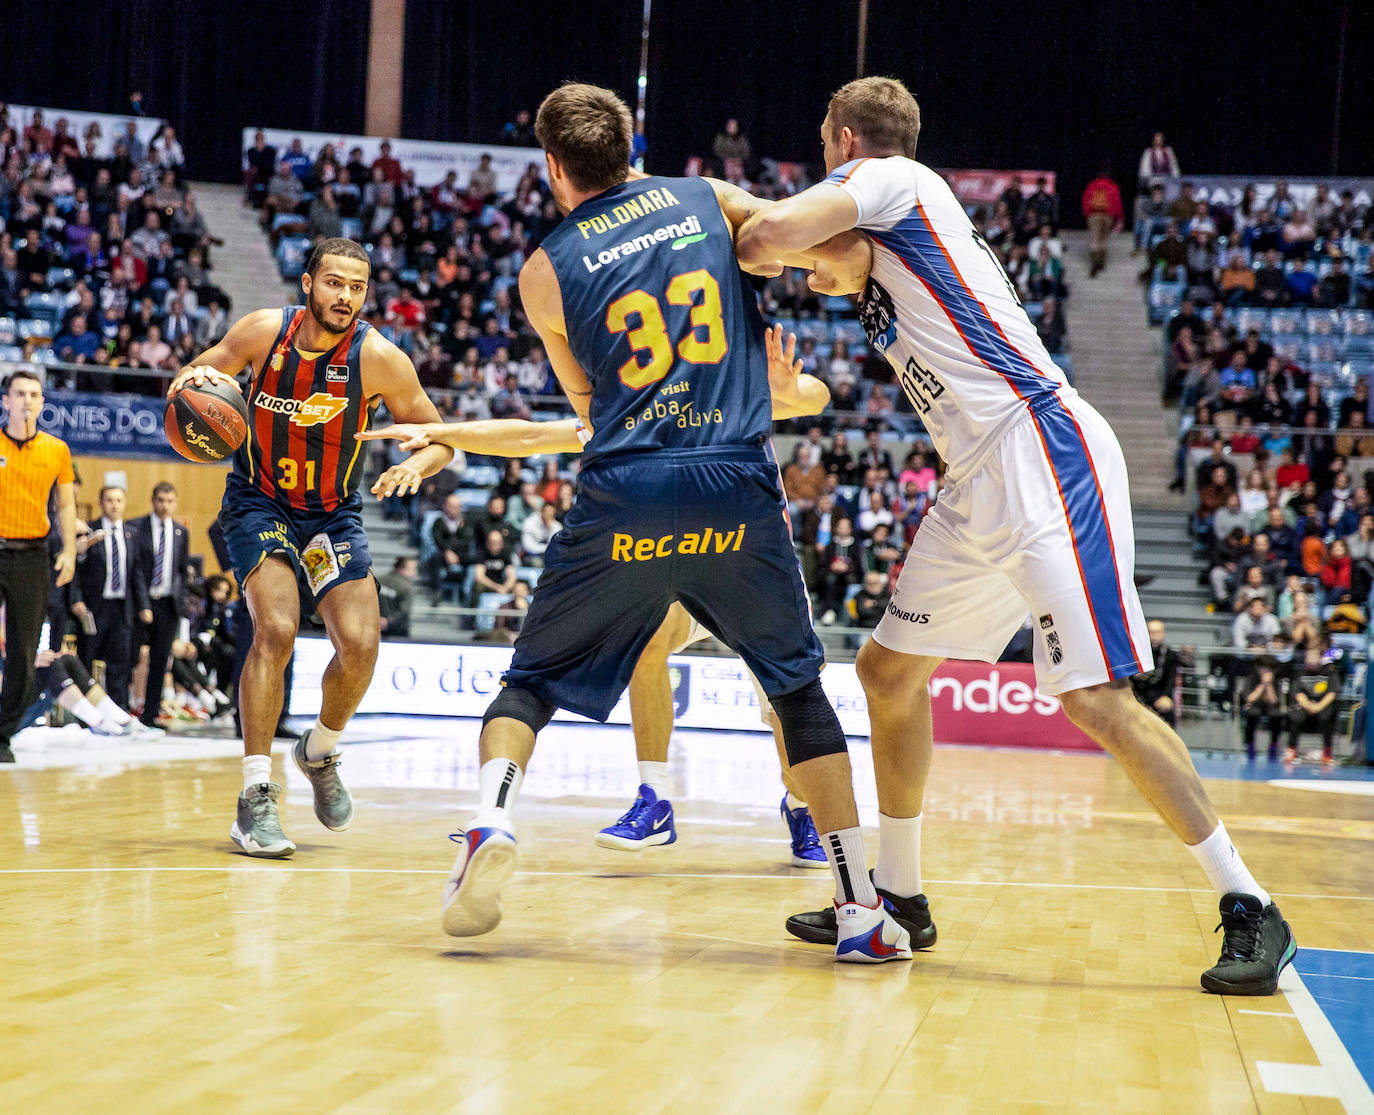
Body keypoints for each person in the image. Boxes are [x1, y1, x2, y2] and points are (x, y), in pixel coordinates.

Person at [735, 75, 1294, 995]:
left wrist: (699, 218)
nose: (822, 153)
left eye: (825, 140)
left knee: (1094, 698)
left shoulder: (895, 178)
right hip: (977, 478)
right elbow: (795, 252)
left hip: (1040, 449)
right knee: (887, 673)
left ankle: (1250, 902)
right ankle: (900, 895)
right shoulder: (890, 238)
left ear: (844, 141)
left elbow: (763, 239)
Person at [412, 83, 907, 961]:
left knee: (529, 682)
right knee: (796, 690)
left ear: (554, 167)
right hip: (733, 480)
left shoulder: (542, 272)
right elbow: (807, 245)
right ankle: (861, 907)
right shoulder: (706, 197)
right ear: (631, 143)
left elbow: (587, 408)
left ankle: (492, 816)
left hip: (626, 488)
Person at [361, 328, 840, 872]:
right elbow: (530, 436)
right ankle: (654, 798)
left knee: (789, 721)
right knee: (648, 642)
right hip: (685, 567)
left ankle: (800, 806)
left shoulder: (730, 394)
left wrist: (791, 389)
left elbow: (816, 396)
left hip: (751, 572)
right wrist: (439, 431)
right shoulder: (636, 415)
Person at [165, 237, 453, 858]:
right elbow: (196, 374)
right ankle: (255, 796)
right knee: (276, 628)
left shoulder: (379, 358)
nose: (345, 296)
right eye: (334, 283)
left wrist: (416, 465)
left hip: (331, 515)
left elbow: (440, 438)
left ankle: (319, 751)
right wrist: (188, 385)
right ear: (308, 283)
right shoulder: (264, 332)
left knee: (362, 644)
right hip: (259, 500)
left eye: (357, 287)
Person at [0, 372, 77, 763]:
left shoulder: (57, 450)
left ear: (42, 402)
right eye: (19, 393)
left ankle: (2, 735)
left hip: (33, 556)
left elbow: (66, 504)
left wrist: (70, 551)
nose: (26, 400)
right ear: (6, 400)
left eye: (34, 394)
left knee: (24, 653)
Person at [71, 486, 141, 711]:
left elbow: (137, 573)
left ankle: (119, 712)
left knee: (120, 663)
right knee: (87, 659)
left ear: (125, 503)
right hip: (93, 607)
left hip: (122, 608)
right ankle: (86, 715)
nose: (114, 505)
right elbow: (75, 570)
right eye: (109, 500)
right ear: (101, 503)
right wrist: (76, 599)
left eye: (119, 500)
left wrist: (144, 606)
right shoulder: (88, 530)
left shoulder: (131, 533)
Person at [130, 482, 189, 729]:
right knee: (130, 657)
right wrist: (143, 604)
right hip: (141, 602)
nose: (165, 505)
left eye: (169, 501)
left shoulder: (180, 532)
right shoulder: (136, 528)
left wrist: (181, 605)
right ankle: (122, 708)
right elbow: (136, 570)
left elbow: (182, 571)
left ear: (175, 503)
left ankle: (150, 715)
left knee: (160, 662)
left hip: (168, 605)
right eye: (161, 500)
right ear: (153, 500)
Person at [1285, 639, 1340, 765]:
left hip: (1322, 705)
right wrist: (1308, 706)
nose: (1310, 659)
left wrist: (1318, 707)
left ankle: (1327, 752)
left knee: (1328, 714)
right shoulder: (1300, 674)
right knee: (1296, 713)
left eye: (1313, 656)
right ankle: (1291, 749)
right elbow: (1298, 693)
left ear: (1321, 657)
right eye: (1308, 656)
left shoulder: (1330, 673)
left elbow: (1332, 694)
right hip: (1306, 705)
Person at [1129, 620, 1179, 726]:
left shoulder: (1170, 655)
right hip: (1139, 695)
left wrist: (1166, 696)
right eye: (1152, 632)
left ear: (1163, 634)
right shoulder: (1136, 654)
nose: (1155, 636)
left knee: (1166, 708)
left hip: (1159, 694)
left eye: (1158, 632)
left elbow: (1171, 680)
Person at [1080, 168, 1123, 277]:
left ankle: (1094, 264)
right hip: (1108, 216)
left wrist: (1087, 214)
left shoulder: (1092, 186)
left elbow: (1085, 200)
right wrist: (1119, 218)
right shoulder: (1112, 186)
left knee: (1095, 240)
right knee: (1103, 240)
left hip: (1094, 215)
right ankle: (1101, 263)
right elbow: (1117, 203)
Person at [1239, 661, 1284, 763]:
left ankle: (1273, 745)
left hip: (1270, 708)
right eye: (1262, 669)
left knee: (1277, 716)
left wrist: (1269, 685)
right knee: (1251, 715)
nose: (1265, 672)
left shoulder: (1276, 682)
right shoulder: (1251, 679)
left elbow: (1274, 701)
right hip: (1254, 706)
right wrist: (1262, 685)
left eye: (1268, 669)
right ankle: (1250, 745)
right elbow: (1250, 699)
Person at [377, 556, 416, 639]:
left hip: (375, 627)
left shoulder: (378, 580)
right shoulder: (407, 587)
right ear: (402, 569)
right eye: (413, 569)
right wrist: (387, 622)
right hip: (398, 632)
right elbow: (404, 611)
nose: (415, 573)